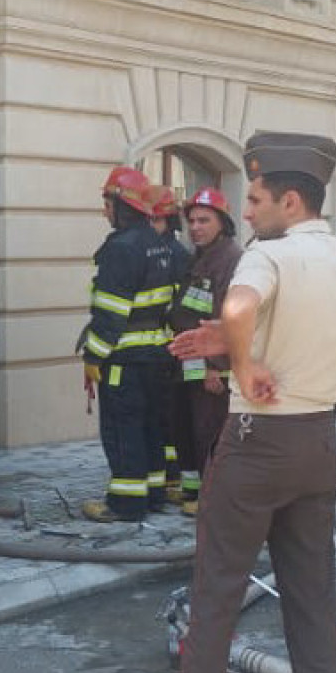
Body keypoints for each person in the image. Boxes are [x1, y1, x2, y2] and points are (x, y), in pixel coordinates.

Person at [166, 132, 336, 673]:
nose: (248, 211)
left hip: (257, 441)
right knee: (312, 599)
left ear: (290, 203)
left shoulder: (267, 253)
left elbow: (240, 305)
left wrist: (242, 360)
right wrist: (231, 341)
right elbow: (297, 327)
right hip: (319, 442)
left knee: (216, 597)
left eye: (256, 199)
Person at [78, 168, 176, 523]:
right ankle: (152, 493)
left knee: (123, 429)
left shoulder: (120, 249)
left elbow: (111, 314)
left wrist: (94, 356)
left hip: (124, 360)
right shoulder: (159, 244)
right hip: (157, 357)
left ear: (121, 205)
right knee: (151, 426)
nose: (104, 210)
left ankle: (126, 503)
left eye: (107, 202)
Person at [166, 187, 242, 517]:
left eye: (204, 220)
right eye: (192, 220)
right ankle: (194, 489)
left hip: (212, 363)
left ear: (222, 223)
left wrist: (215, 365)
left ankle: (213, 496)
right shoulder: (200, 257)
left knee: (210, 428)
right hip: (191, 357)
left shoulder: (230, 260)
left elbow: (229, 317)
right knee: (188, 425)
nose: (195, 227)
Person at [147, 184, 191, 502]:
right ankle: (167, 479)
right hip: (161, 351)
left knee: (171, 419)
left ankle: (173, 479)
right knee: (163, 418)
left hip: (173, 350)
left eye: (156, 221)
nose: (152, 228)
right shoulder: (161, 253)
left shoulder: (176, 256)